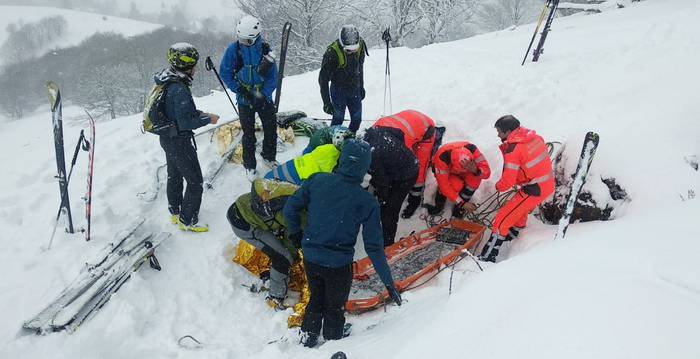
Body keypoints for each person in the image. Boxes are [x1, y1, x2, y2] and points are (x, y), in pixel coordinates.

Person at [283, 139, 401, 348]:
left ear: (342, 159)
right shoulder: (367, 202)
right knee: (335, 307)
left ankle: (308, 336)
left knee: (316, 297)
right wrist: (389, 284)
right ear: (364, 167)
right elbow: (374, 247)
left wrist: (295, 234)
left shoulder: (317, 180)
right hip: (338, 265)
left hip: (311, 257)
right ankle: (332, 343)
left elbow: (290, 209)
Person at [157, 43, 219, 232]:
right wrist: (208, 119)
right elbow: (185, 122)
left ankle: (175, 210)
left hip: (167, 137)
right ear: (187, 66)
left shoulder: (168, 80)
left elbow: (177, 112)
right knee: (195, 182)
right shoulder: (179, 88)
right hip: (180, 141)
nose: (195, 68)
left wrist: (199, 113)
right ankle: (188, 220)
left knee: (174, 174)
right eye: (194, 64)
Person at [479, 115, 554, 262]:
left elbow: (507, 181)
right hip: (546, 183)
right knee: (518, 211)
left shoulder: (513, 150)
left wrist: (497, 186)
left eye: (500, 132)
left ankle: (487, 256)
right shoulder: (535, 138)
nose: (498, 135)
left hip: (534, 189)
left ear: (508, 132)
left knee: (502, 219)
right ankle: (513, 236)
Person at [220, 15, 279, 181]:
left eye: (248, 40)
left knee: (270, 128)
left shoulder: (265, 50)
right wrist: (240, 90)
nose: (243, 42)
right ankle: (250, 165)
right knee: (248, 134)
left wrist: (263, 95)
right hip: (244, 100)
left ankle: (268, 156)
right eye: (241, 39)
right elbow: (225, 72)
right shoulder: (234, 50)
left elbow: (273, 77)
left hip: (263, 98)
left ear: (257, 36)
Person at [226, 178, 300, 309]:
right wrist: (290, 257)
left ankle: (273, 270)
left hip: (245, 205)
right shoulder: (296, 216)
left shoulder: (303, 193)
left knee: (281, 247)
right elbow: (291, 240)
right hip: (243, 222)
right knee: (283, 257)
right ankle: (276, 297)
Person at [372, 110, 437, 219]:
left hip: (426, 129)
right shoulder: (373, 132)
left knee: (418, 166)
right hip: (407, 122)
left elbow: (407, 167)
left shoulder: (401, 145)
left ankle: (414, 200)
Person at [362, 125, 418, 247]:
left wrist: (383, 199)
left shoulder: (373, 156)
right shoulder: (374, 130)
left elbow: (382, 183)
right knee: (384, 206)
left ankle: (388, 244)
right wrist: (396, 155)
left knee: (390, 210)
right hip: (406, 161)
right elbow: (399, 132)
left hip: (407, 175)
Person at [319, 25, 367, 133]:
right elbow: (323, 80)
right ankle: (331, 139)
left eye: (354, 49)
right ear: (342, 44)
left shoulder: (361, 47)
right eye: (348, 50)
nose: (352, 52)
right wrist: (326, 102)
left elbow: (360, 68)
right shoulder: (332, 53)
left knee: (357, 119)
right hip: (338, 89)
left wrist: (361, 87)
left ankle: (350, 137)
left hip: (354, 87)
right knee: (338, 118)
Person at [425, 141, 491, 218]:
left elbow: (487, 173)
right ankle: (439, 203)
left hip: (465, 169)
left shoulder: (473, 150)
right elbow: (444, 186)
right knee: (455, 185)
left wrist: (476, 170)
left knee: (475, 178)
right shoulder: (442, 158)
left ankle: (459, 209)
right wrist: (461, 203)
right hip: (449, 173)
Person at [264, 135, 347, 185]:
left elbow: (307, 151)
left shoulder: (324, 149)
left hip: (269, 177)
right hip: (270, 187)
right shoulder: (319, 174)